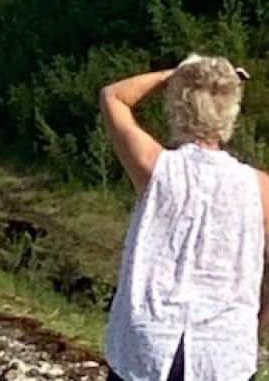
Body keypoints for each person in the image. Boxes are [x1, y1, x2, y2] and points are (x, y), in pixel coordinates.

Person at [99, 56, 267, 381]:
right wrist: (255, 321)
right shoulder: (261, 188)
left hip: (149, 340)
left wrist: (172, 74)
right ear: (231, 113)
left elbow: (113, 96)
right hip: (223, 351)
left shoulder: (155, 167)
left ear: (178, 108)